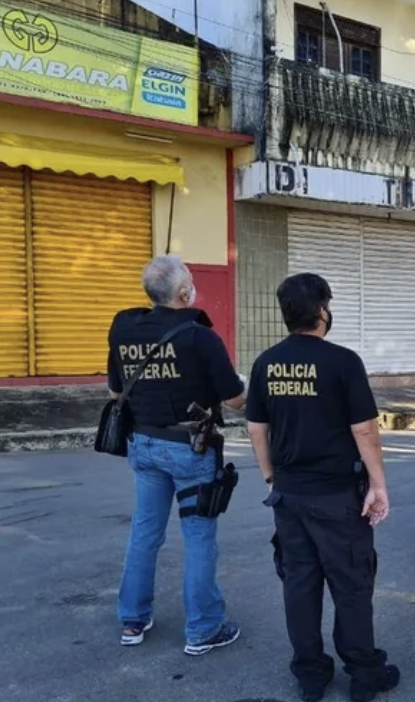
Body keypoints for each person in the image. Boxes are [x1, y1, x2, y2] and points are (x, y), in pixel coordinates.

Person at [245, 273, 398, 702]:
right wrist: (379, 485)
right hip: (337, 498)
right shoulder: (343, 361)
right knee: (351, 586)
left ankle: (311, 674)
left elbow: (257, 428)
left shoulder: (266, 363)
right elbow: (365, 430)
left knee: (300, 585)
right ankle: (365, 674)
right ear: (323, 311)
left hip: (289, 496)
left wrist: (272, 477)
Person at [108, 255, 245, 655]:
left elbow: (116, 392)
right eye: (190, 281)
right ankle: (203, 629)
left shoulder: (123, 328)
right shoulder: (199, 336)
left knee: (144, 532)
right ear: (184, 293)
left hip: (144, 445)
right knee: (199, 536)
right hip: (190, 449)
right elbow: (235, 400)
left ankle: (132, 619)